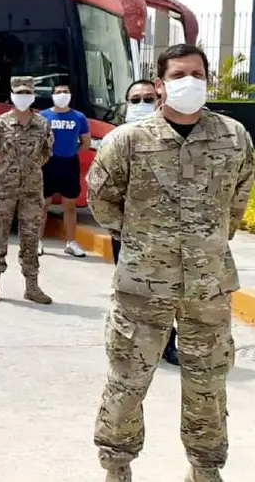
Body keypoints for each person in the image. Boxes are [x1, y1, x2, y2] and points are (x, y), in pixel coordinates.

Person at [88, 44, 254, 482]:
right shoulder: (128, 140)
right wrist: (144, 240)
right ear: (160, 85)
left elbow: (238, 199)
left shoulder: (234, 136)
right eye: (180, 74)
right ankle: (117, 464)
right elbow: (102, 202)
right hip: (143, 287)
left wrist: (209, 240)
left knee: (209, 384)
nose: (191, 81)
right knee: (127, 382)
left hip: (208, 287)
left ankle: (205, 468)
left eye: (197, 73)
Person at [102, 79, 179, 366]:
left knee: (167, 293)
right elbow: (101, 191)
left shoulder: (174, 138)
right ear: (126, 103)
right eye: (135, 100)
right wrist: (120, 228)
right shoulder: (116, 139)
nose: (141, 104)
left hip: (169, 235)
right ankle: (133, 345)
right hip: (127, 233)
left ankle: (167, 344)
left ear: (159, 100)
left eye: (148, 98)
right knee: (131, 292)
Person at [0, 76, 54, 304]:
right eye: (19, 93)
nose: (23, 97)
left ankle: (32, 286)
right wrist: (4, 171)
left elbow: (46, 154)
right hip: (3, 189)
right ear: (12, 95)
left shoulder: (42, 124)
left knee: (31, 238)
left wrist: (28, 170)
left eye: (27, 93)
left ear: (32, 95)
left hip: (32, 190)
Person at [39, 84, 91, 257]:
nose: (62, 95)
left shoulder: (79, 117)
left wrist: (70, 152)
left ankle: (71, 242)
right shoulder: (43, 116)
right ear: (53, 95)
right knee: (43, 204)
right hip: (48, 163)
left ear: (70, 95)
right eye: (58, 92)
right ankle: (37, 242)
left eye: (65, 92)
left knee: (69, 205)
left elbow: (86, 142)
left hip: (69, 164)